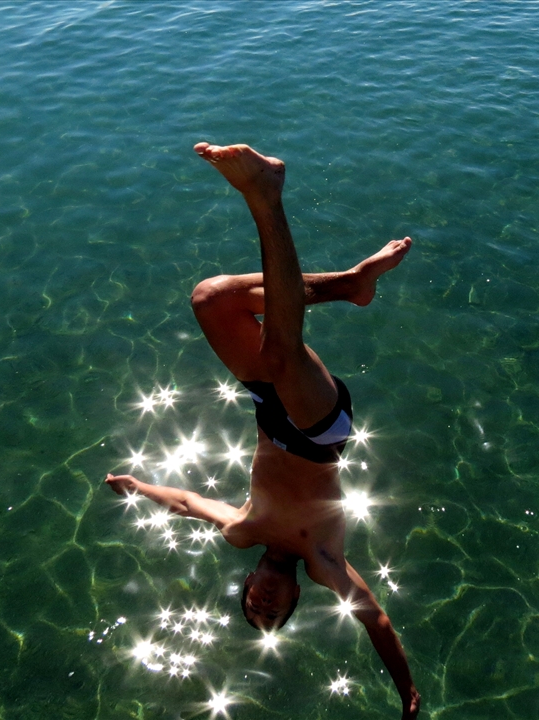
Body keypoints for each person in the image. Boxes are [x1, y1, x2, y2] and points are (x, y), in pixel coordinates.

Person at [106, 142, 420, 719]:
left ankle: (350, 284)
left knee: (212, 300)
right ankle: (264, 195)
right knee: (280, 350)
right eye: (275, 611)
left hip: (268, 410)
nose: (264, 602)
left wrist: (136, 487)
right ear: (298, 595)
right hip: (321, 432)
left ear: (247, 583)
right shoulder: (323, 560)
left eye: (254, 606)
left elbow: (186, 502)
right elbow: (376, 620)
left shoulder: (240, 529)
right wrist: (408, 694)